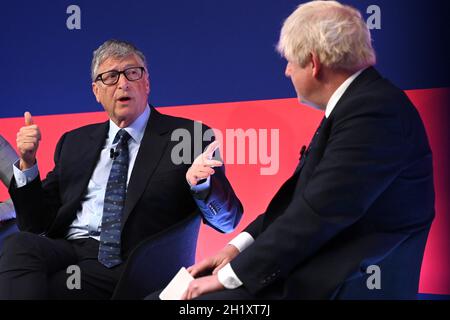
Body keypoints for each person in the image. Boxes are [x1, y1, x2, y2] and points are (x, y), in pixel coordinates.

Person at [174, 0, 435, 300]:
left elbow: (317, 214)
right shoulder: (359, 105)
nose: (286, 71)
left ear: (313, 62)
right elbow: (299, 205)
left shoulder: (373, 112)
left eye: (289, 61)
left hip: (335, 284)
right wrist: (236, 249)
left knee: (188, 303)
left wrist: (230, 277)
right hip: (312, 268)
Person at [0, 39, 243, 299]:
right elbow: (35, 223)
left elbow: (228, 221)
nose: (123, 83)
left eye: (132, 73)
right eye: (111, 76)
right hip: (70, 250)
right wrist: (27, 163)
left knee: (48, 287)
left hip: (133, 261)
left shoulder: (187, 136)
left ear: (146, 83)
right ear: (96, 91)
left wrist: (202, 185)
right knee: (18, 243)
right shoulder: (75, 141)